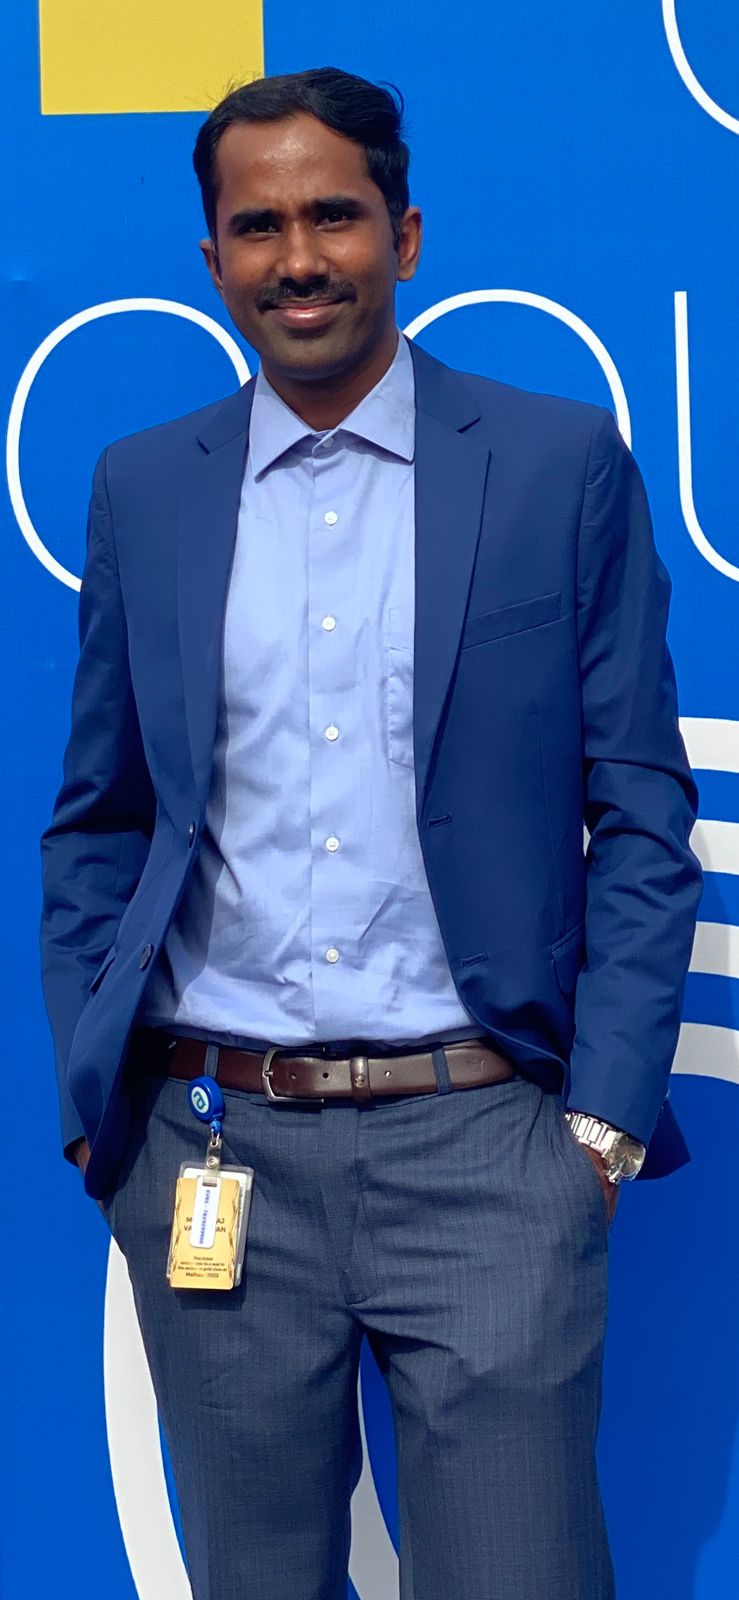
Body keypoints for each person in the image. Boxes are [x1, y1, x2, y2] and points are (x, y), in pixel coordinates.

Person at [39, 65, 702, 1600]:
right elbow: (100, 820)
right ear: (213, 259)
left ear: (405, 235)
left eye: (333, 216)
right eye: (257, 226)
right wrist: (98, 1111)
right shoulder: (146, 489)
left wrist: (596, 1130)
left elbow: (641, 814)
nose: (299, 259)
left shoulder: (556, 466)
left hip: (489, 1147)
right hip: (213, 1149)